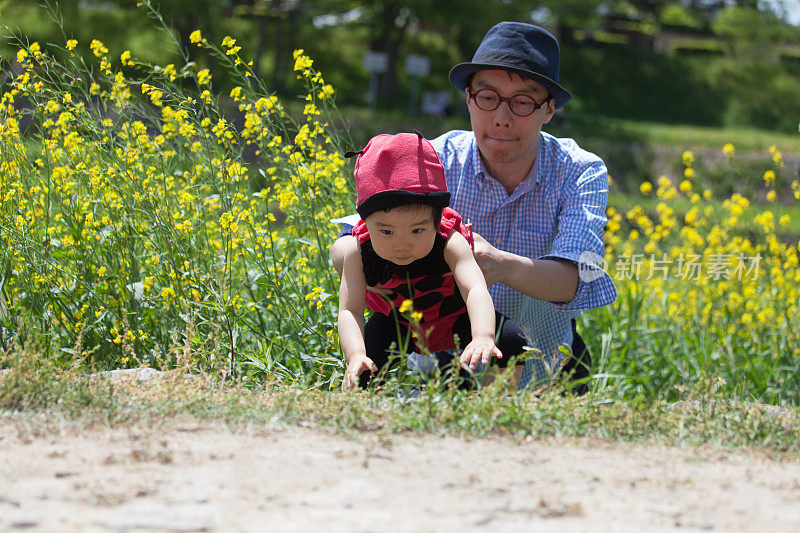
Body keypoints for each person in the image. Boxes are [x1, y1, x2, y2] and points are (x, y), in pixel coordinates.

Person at [334, 22, 616, 392]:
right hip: (435, 374)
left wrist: (500, 265)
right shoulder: (433, 159)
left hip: (545, 369)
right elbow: (352, 235)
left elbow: (577, 280)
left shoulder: (580, 171)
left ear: (549, 110)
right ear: (468, 98)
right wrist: (366, 256)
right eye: (488, 97)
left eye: (523, 102)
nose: (502, 116)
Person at [338, 132, 527, 391]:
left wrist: (482, 336)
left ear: (437, 220)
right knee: (366, 360)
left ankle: (494, 405)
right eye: (386, 232)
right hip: (397, 322)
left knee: (512, 340)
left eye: (417, 231)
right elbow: (350, 310)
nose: (402, 244)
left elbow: (475, 288)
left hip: (453, 315)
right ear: (365, 222)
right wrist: (355, 354)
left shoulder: (449, 240)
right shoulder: (357, 250)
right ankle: (356, 408)